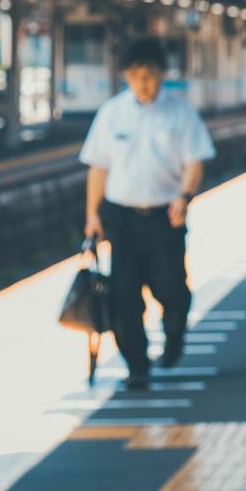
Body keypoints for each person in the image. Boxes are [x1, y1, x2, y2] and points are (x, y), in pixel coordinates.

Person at [80, 37, 214, 390]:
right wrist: (92, 216)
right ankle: (137, 366)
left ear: (163, 74)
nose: (143, 81)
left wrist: (185, 197)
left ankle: (174, 334)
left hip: (165, 217)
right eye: (136, 74)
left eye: (150, 74)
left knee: (170, 289)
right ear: (125, 75)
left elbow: (194, 161)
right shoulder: (111, 114)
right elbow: (98, 168)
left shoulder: (181, 113)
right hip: (121, 220)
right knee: (123, 297)